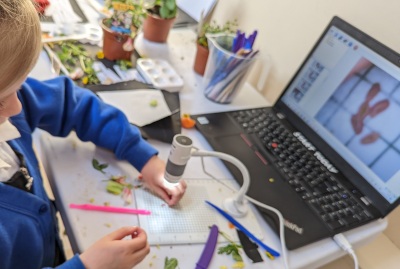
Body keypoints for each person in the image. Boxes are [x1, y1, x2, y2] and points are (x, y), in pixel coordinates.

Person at [0, 1, 187, 268]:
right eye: (2, 99)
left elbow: (72, 104)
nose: (19, 105)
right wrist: (89, 265)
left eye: (18, 86)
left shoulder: (9, 103)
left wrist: (141, 156)